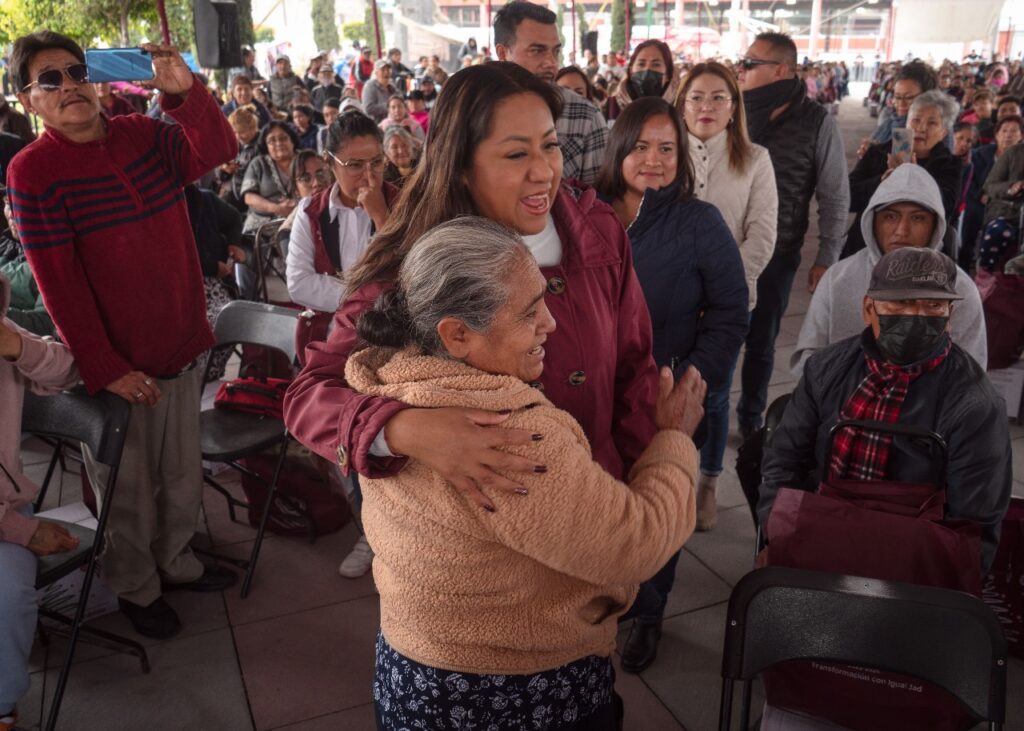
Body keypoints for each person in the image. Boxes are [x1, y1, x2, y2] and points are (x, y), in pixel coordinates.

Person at [284, 61, 659, 553]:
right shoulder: (411, 264)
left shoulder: (598, 233)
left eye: (549, 145)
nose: (543, 170)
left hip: (600, 517)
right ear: (460, 163)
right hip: (483, 550)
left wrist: (624, 489)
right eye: (516, 153)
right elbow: (308, 397)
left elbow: (635, 368)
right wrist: (402, 428)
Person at [352, 217, 701, 728]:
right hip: (512, 694)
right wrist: (673, 439)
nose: (552, 324)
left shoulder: (392, 386)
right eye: (529, 312)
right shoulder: (504, 435)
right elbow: (636, 542)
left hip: (411, 674)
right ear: (456, 334)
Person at [8, 31, 239, 639]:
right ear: (29, 101)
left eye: (75, 71)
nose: (68, 85)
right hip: (118, 367)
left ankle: (178, 562)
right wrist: (105, 366)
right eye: (48, 80)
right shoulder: (32, 172)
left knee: (184, 475)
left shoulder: (143, 132)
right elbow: (58, 285)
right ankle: (136, 585)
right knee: (129, 491)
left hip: (184, 344)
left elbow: (214, 148)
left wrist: (187, 96)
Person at [595, 97, 748, 675]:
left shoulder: (697, 221)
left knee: (658, 508)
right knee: (597, 504)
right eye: (640, 146)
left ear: (682, 157)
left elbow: (732, 311)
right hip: (589, 395)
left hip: (663, 398)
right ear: (619, 149)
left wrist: (693, 379)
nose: (653, 160)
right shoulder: (586, 212)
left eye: (667, 148)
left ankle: (647, 613)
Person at [764, 246, 1010, 571]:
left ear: (950, 316)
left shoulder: (974, 406)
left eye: (933, 305)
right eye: (900, 302)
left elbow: (972, 529)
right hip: (820, 539)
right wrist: (777, 537)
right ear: (869, 308)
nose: (915, 316)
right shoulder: (824, 369)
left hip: (913, 566)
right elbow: (784, 464)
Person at [677, 61, 778, 532]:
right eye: (697, 96)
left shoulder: (754, 158)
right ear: (683, 102)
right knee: (665, 387)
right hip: (668, 300)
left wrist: (719, 291)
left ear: (734, 106)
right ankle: (670, 478)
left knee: (714, 396)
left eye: (719, 97)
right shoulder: (666, 152)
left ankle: (709, 481)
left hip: (726, 305)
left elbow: (761, 234)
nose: (707, 106)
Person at [734, 32, 850, 439]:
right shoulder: (733, 112)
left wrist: (827, 256)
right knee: (717, 338)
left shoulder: (817, 121)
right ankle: (707, 416)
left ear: (781, 70)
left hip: (778, 253)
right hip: (723, 249)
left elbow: (835, 195)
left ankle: (751, 418)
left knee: (762, 341)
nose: (741, 70)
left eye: (750, 63)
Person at [794, 163, 987, 381]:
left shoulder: (959, 289)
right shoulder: (836, 279)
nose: (902, 230)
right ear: (872, 221)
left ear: (936, 225)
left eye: (917, 218)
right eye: (890, 217)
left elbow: (971, 376)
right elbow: (808, 360)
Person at [0, 272, 81, 731]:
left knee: (8, 596)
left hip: (6, 511)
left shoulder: (5, 328)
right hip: (9, 523)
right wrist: (24, 532)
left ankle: (2, 711)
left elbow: (69, 368)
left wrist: (14, 347)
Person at [494, 1, 608, 185]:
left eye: (555, 52)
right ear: (502, 53)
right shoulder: (470, 110)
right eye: (537, 51)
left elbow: (595, 204)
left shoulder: (584, 117)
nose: (551, 63)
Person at [843, 90, 963, 259]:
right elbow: (847, 198)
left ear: (943, 132)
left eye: (932, 123)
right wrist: (883, 180)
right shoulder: (878, 153)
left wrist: (913, 178)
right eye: (916, 120)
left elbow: (947, 207)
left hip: (921, 253)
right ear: (906, 122)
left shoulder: (950, 164)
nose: (921, 128)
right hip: (866, 247)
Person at [961, 114, 1024, 269]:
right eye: (1005, 131)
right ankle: (984, 275)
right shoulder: (1010, 153)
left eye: (1013, 131)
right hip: (1004, 210)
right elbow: (988, 185)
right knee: (993, 229)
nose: (1008, 135)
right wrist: (1013, 187)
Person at [0, 193, 54, 337]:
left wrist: (3, 315)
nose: (11, 213)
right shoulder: (3, 245)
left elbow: (45, 326)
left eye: (18, 204)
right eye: (7, 203)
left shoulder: (53, 261)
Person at [240, 120, 299, 233]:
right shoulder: (258, 163)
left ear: (292, 140)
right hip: (263, 224)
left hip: (301, 216)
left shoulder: (306, 160)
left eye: (283, 138)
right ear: (266, 146)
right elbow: (249, 197)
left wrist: (297, 205)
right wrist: (277, 209)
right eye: (272, 141)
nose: (278, 143)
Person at [604, 40, 678, 122]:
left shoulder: (680, 110)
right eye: (641, 64)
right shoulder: (611, 107)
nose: (647, 70)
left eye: (656, 65)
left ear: (668, 74)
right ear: (631, 70)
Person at [217, 105, 261, 212]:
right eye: (235, 133)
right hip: (231, 193)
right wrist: (225, 169)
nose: (238, 137)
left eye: (242, 132)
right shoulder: (238, 145)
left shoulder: (261, 146)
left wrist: (238, 170)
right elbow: (222, 175)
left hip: (246, 200)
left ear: (253, 128)